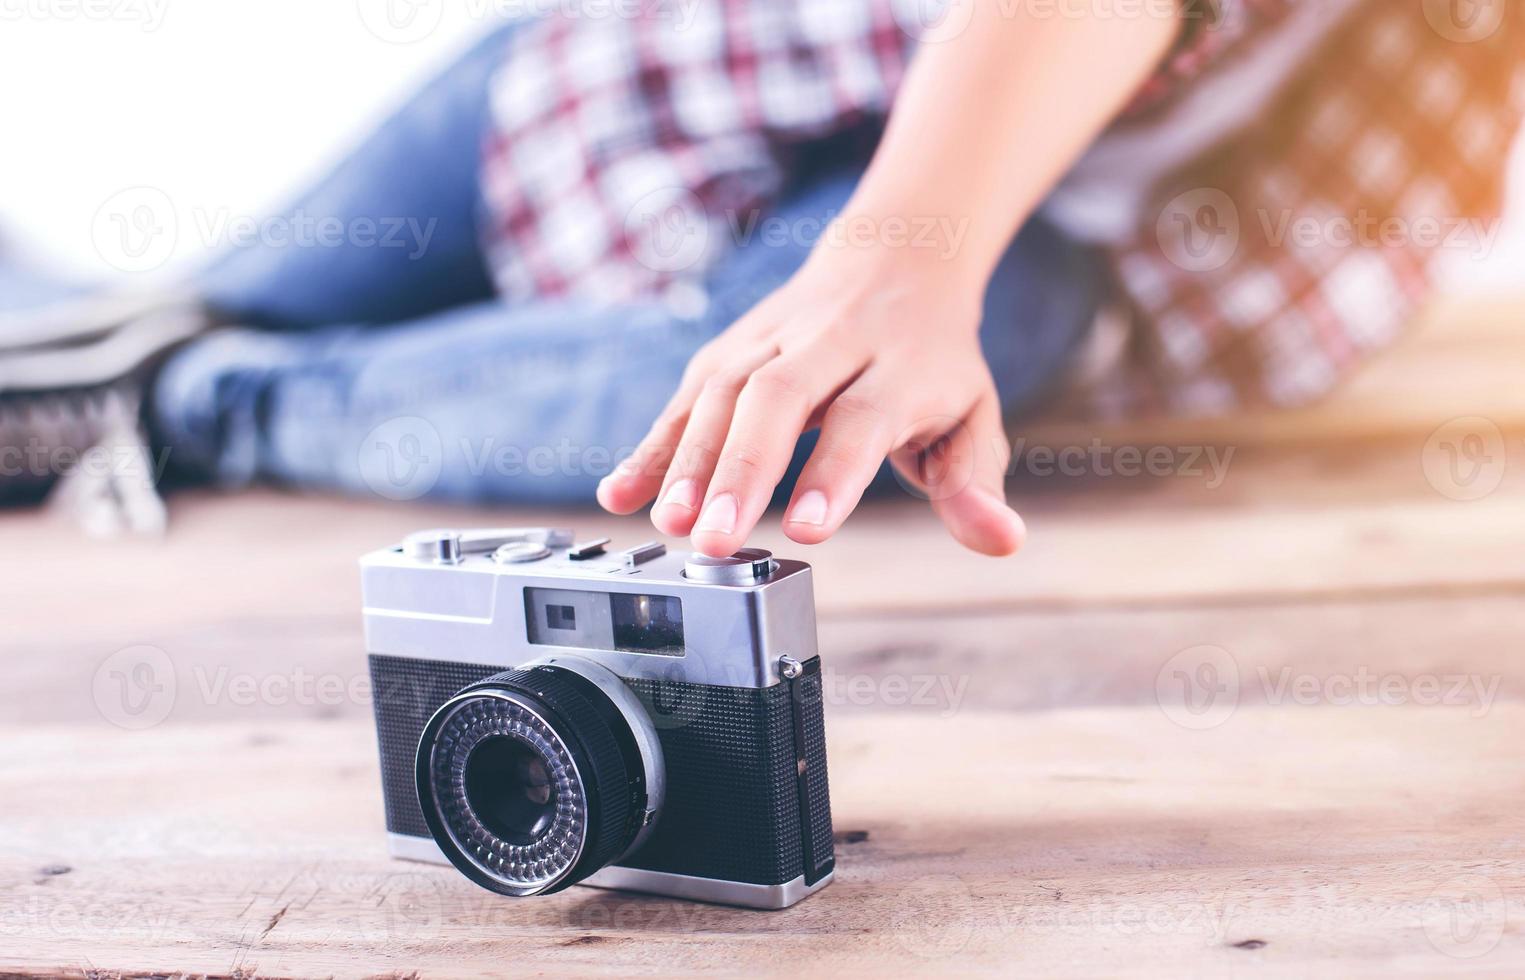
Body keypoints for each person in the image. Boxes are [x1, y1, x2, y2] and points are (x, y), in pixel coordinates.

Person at [1, 0, 1520, 555]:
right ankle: (139, 371)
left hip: (1053, 256)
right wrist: (899, 252)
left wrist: (913, 270)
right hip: (636, 91)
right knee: (97, 308)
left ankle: (185, 404)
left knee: (775, 413)